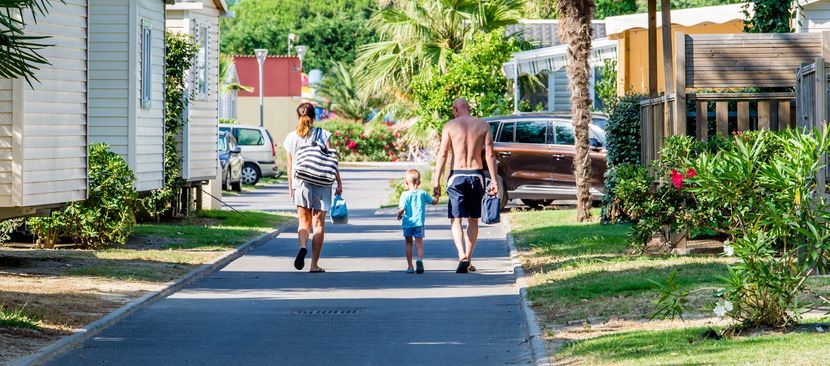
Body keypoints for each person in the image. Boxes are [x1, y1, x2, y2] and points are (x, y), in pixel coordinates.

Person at [432, 98, 498, 273]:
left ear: (455, 109)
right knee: (473, 219)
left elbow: (443, 154)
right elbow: (490, 155)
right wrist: (494, 180)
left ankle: (461, 255)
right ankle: (468, 259)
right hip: (476, 175)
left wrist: (436, 180)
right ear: (468, 108)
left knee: (456, 219)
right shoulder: (483, 125)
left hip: (457, 176)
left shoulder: (450, 126)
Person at [283, 102, 343, 273]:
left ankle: (303, 246)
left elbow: (289, 165)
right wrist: (339, 182)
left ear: (298, 116)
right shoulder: (323, 134)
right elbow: (332, 160)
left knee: (303, 221)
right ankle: (314, 264)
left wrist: (290, 187)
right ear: (314, 116)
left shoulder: (291, 137)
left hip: (300, 182)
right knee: (318, 224)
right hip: (322, 183)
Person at [397, 169, 438, 274]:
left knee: (408, 243)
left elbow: (401, 208)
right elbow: (434, 202)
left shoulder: (404, 195)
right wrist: (437, 195)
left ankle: (410, 266)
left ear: (406, 182)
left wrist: (399, 215)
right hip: (419, 224)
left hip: (407, 224)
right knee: (419, 244)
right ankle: (419, 259)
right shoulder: (422, 193)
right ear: (419, 182)